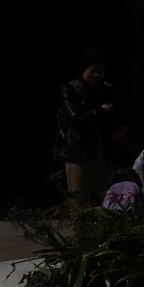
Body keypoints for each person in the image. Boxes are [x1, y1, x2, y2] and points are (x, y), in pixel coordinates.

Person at [55, 49, 127, 205]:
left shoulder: (108, 89)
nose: (97, 75)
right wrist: (101, 110)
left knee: (111, 207)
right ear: (84, 69)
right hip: (79, 159)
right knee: (79, 207)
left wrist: (123, 127)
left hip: (104, 158)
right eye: (92, 70)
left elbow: (121, 114)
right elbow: (76, 119)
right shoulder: (70, 89)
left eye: (101, 71)